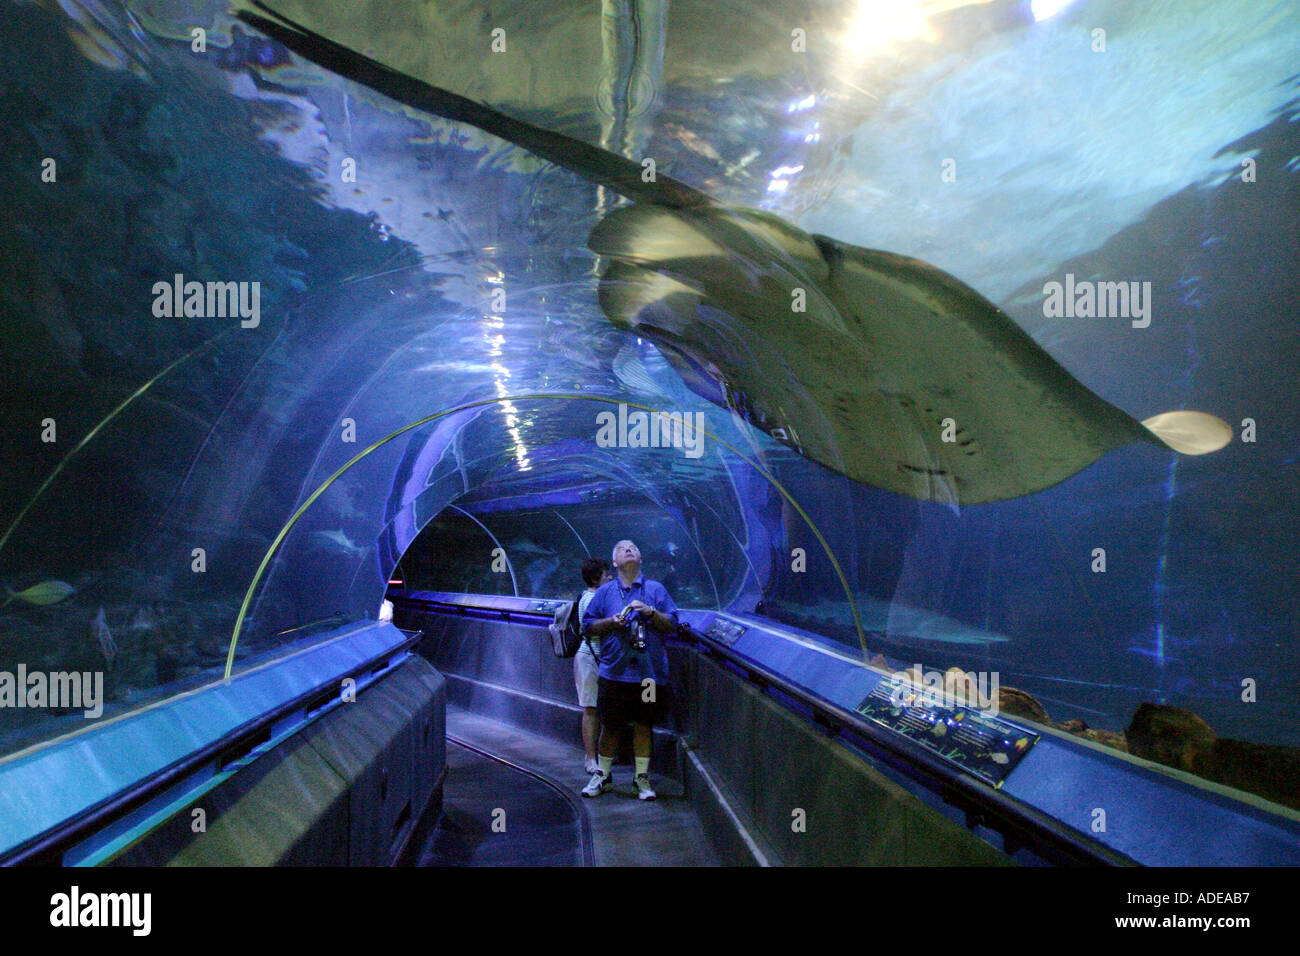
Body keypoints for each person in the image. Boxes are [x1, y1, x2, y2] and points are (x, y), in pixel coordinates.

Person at [581, 539, 679, 801]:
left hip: (649, 675)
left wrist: (650, 613)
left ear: (640, 559)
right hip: (614, 672)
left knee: (644, 724)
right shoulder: (605, 592)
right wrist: (611, 622)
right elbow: (588, 626)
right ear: (614, 563)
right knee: (610, 726)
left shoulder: (656, 590)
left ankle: (641, 778)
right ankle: (603, 775)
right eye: (622, 549)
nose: (629, 549)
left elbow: (672, 624)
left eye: (633, 548)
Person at [574, 557, 612, 774]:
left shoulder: (598, 597)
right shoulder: (590, 599)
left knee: (602, 708)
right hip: (589, 657)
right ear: (596, 579)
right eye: (606, 575)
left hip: (601, 659)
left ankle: (603, 753)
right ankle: (590, 758)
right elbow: (594, 628)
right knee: (590, 708)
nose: (610, 578)